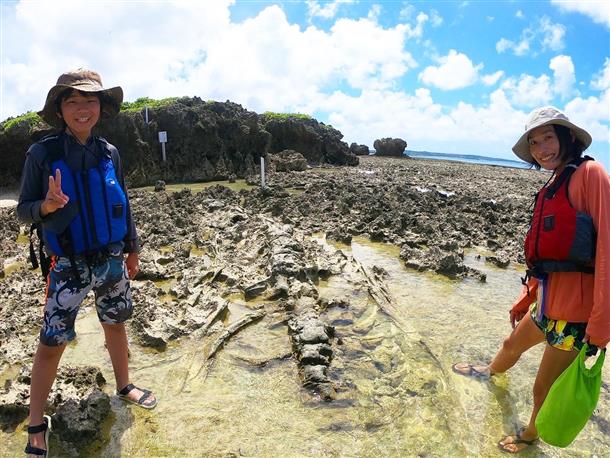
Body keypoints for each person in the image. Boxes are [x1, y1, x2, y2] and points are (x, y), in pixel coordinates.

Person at [452, 106, 609, 453]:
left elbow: (607, 248)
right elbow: (550, 256)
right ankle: (489, 371)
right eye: (534, 143)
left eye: (548, 138)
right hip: (546, 305)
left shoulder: (591, 174)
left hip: (575, 317)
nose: (541, 149)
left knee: (543, 387)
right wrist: (528, 295)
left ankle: (530, 435)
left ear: (567, 137)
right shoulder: (555, 181)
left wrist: (601, 325)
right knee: (511, 345)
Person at [18, 69, 157, 457]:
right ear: (60, 109)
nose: (82, 108)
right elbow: (23, 211)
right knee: (51, 343)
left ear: (101, 107)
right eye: (72, 101)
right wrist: (44, 206)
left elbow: (123, 203)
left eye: (89, 100)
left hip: (112, 260)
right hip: (68, 266)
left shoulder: (109, 152)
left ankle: (125, 386)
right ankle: (35, 423)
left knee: (116, 325)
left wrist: (132, 248)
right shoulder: (42, 153)